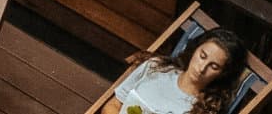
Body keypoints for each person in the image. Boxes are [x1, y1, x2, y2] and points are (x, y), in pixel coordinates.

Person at [101, 28, 247, 114]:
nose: (202, 68)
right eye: (202, 56)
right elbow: (112, 105)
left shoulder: (205, 109)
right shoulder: (156, 67)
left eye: (214, 66)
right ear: (195, 49)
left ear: (223, 74)